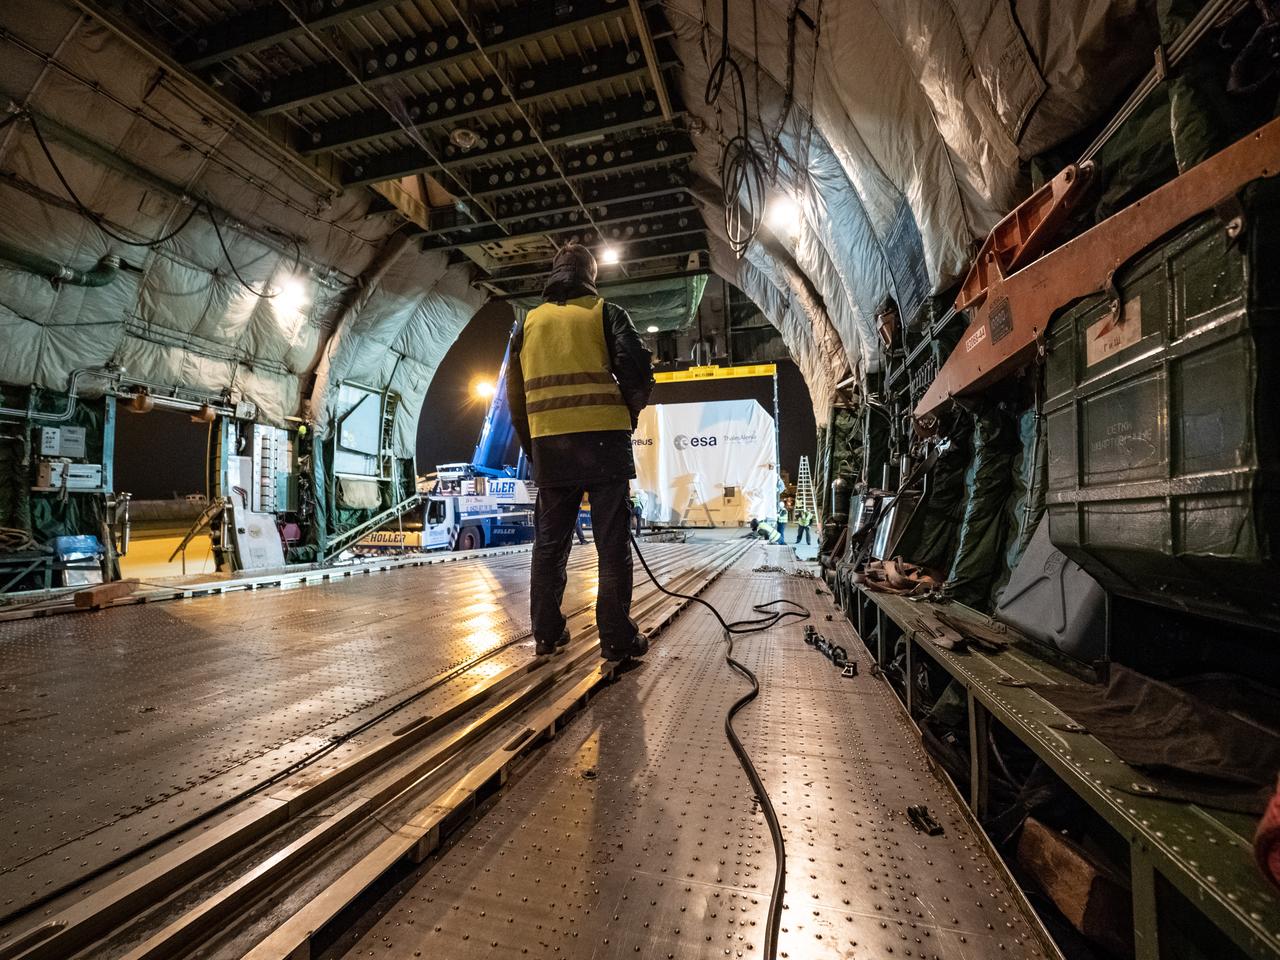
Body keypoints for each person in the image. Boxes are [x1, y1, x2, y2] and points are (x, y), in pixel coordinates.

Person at [506, 243, 654, 660]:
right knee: (612, 545)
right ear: (591, 276)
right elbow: (638, 372)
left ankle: (547, 634)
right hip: (605, 443)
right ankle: (616, 638)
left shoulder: (527, 324)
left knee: (549, 546)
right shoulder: (606, 313)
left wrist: (534, 446)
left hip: (552, 447)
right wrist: (629, 415)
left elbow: (515, 398)